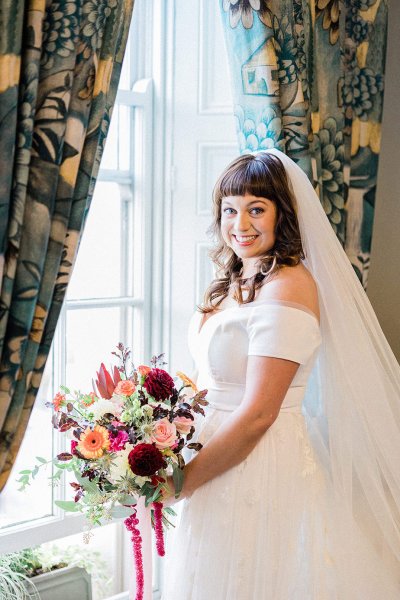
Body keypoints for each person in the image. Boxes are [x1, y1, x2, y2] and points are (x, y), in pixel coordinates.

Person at [160, 149, 400, 599]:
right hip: (216, 451)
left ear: (282, 215)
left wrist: (183, 481)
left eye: (257, 209)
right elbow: (208, 379)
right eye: (230, 210)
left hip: (256, 462)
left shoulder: (288, 286)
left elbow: (258, 414)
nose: (240, 224)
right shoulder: (237, 276)